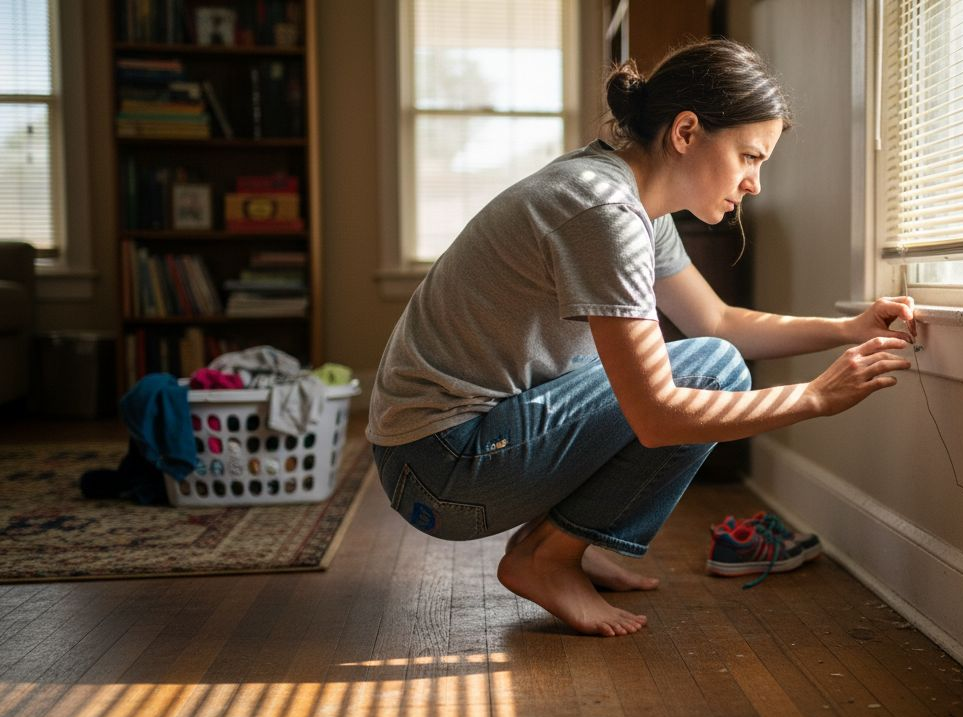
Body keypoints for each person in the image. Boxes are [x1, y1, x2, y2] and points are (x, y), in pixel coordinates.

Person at [367, 39, 916, 637]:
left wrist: (847, 329)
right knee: (710, 371)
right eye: (749, 157)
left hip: (445, 452)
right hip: (440, 467)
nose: (755, 183)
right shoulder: (603, 210)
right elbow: (657, 413)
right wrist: (815, 397)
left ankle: (560, 540)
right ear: (686, 132)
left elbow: (718, 321)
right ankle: (546, 560)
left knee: (710, 356)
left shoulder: (631, 203)